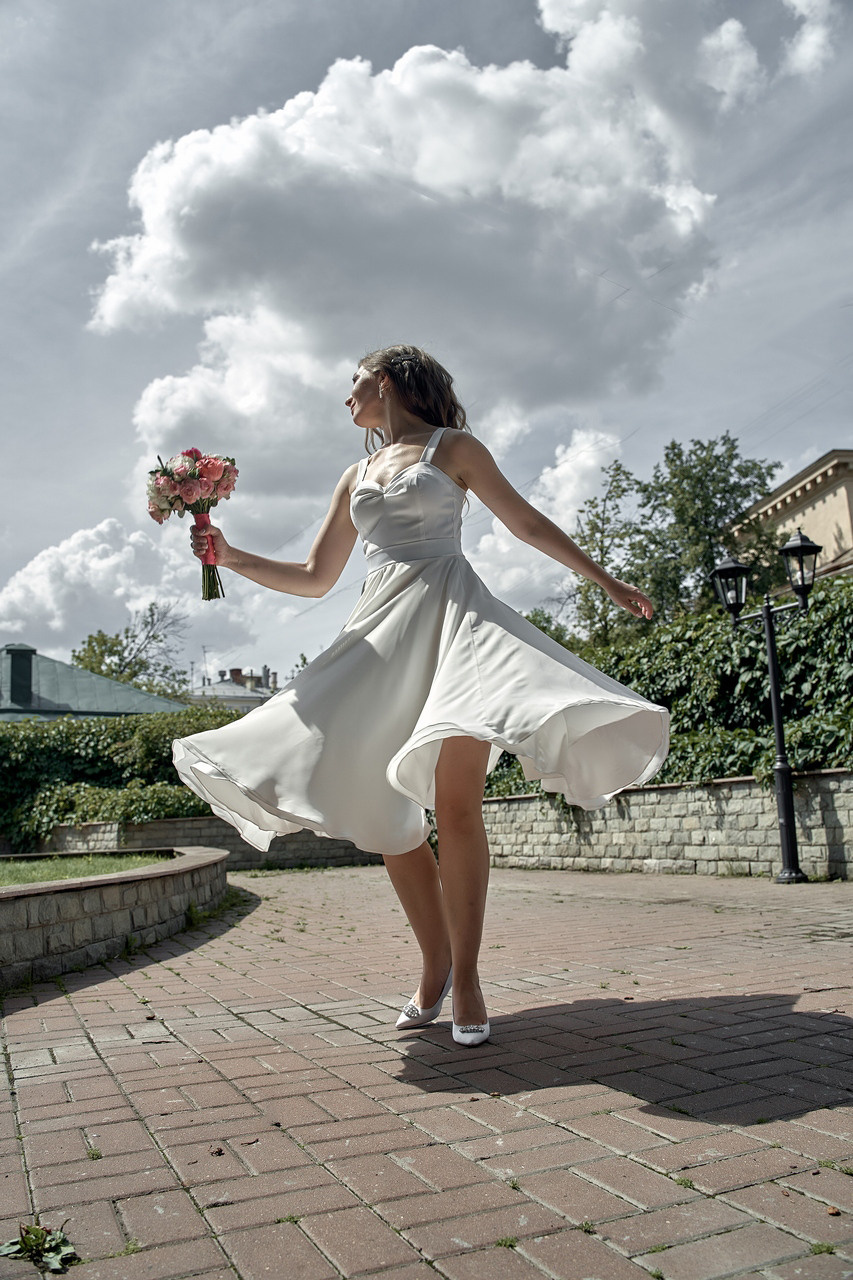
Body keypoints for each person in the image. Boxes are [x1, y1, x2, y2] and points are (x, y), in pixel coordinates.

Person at [173, 344, 668, 1047]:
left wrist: (605, 582)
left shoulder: (453, 447)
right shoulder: (355, 474)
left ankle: (466, 976)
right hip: (378, 639)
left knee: (457, 806)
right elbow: (316, 576)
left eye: (352, 384)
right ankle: (432, 964)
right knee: (385, 815)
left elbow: (524, 522)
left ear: (384, 381)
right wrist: (230, 556)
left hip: (455, 628)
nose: (345, 399)